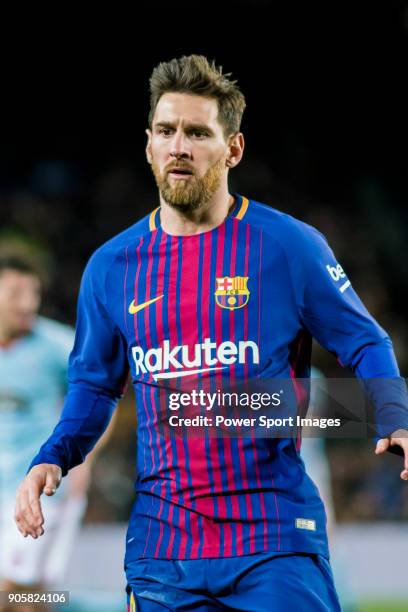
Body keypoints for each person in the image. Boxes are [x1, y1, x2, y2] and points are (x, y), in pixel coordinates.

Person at [14, 55, 408, 612]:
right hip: (163, 549)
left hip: (274, 540)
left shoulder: (288, 247)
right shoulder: (111, 267)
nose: (180, 145)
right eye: (166, 131)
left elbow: (367, 341)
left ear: (233, 149)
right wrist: (52, 457)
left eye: (198, 132)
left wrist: (394, 416)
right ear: (148, 144)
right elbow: (95, 387)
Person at [0, 252, 91, 612]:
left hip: (42, 489)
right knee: (30, 598)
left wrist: (84, 459)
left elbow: (100, 399)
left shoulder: (58, 345)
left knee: (12, 588)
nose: (28, 303)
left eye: (33, 293)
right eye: (15, 292)